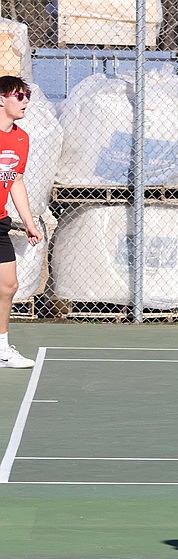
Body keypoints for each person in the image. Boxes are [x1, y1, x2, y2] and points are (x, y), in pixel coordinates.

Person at [0, 75, 42, 369]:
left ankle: (1, 348)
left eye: (27, 95)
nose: (25, 100)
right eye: (19, 95)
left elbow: (15, 180)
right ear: (2, 99)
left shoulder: (20, 138)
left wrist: (28, 222)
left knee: (8, 286)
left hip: (0, 221)